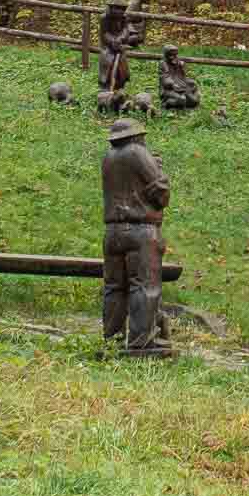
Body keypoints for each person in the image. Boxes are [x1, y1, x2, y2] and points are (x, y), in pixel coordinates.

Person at [101, 118, 172, 357]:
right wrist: (159, 169)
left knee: (114, 287)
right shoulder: (138, 153)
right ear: (137, 136)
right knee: (144, 286)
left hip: (112, 231)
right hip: (140, 229)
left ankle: (111, 339)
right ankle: (142, 343)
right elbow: (160, 192)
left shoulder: (108, 158)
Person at [97, 0, 133, 111]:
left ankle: (120, 87)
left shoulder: (125, 18)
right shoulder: (104, 18)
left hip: (120, 46)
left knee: (122, 68)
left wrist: (121, 38)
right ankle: (106, 88)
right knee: (108, 63)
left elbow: (126, 30)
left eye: (122, 9)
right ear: (111, 8)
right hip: (108, 47)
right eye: (117, 8)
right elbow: (104, 33)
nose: (119, 11)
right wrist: (112, 41)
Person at [158, 44, 200, 111]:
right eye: (171, 55)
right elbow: (165, 79)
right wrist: (173, 84)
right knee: (181, 99)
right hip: (169, 89)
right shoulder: (163, 64)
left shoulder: (179, 63)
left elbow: (183, 77)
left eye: (176, 55)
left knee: (194, 101)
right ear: (166, 55)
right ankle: (166, 105)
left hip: (181, 86)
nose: (174, 57)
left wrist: (183, 68)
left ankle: (188, 106)